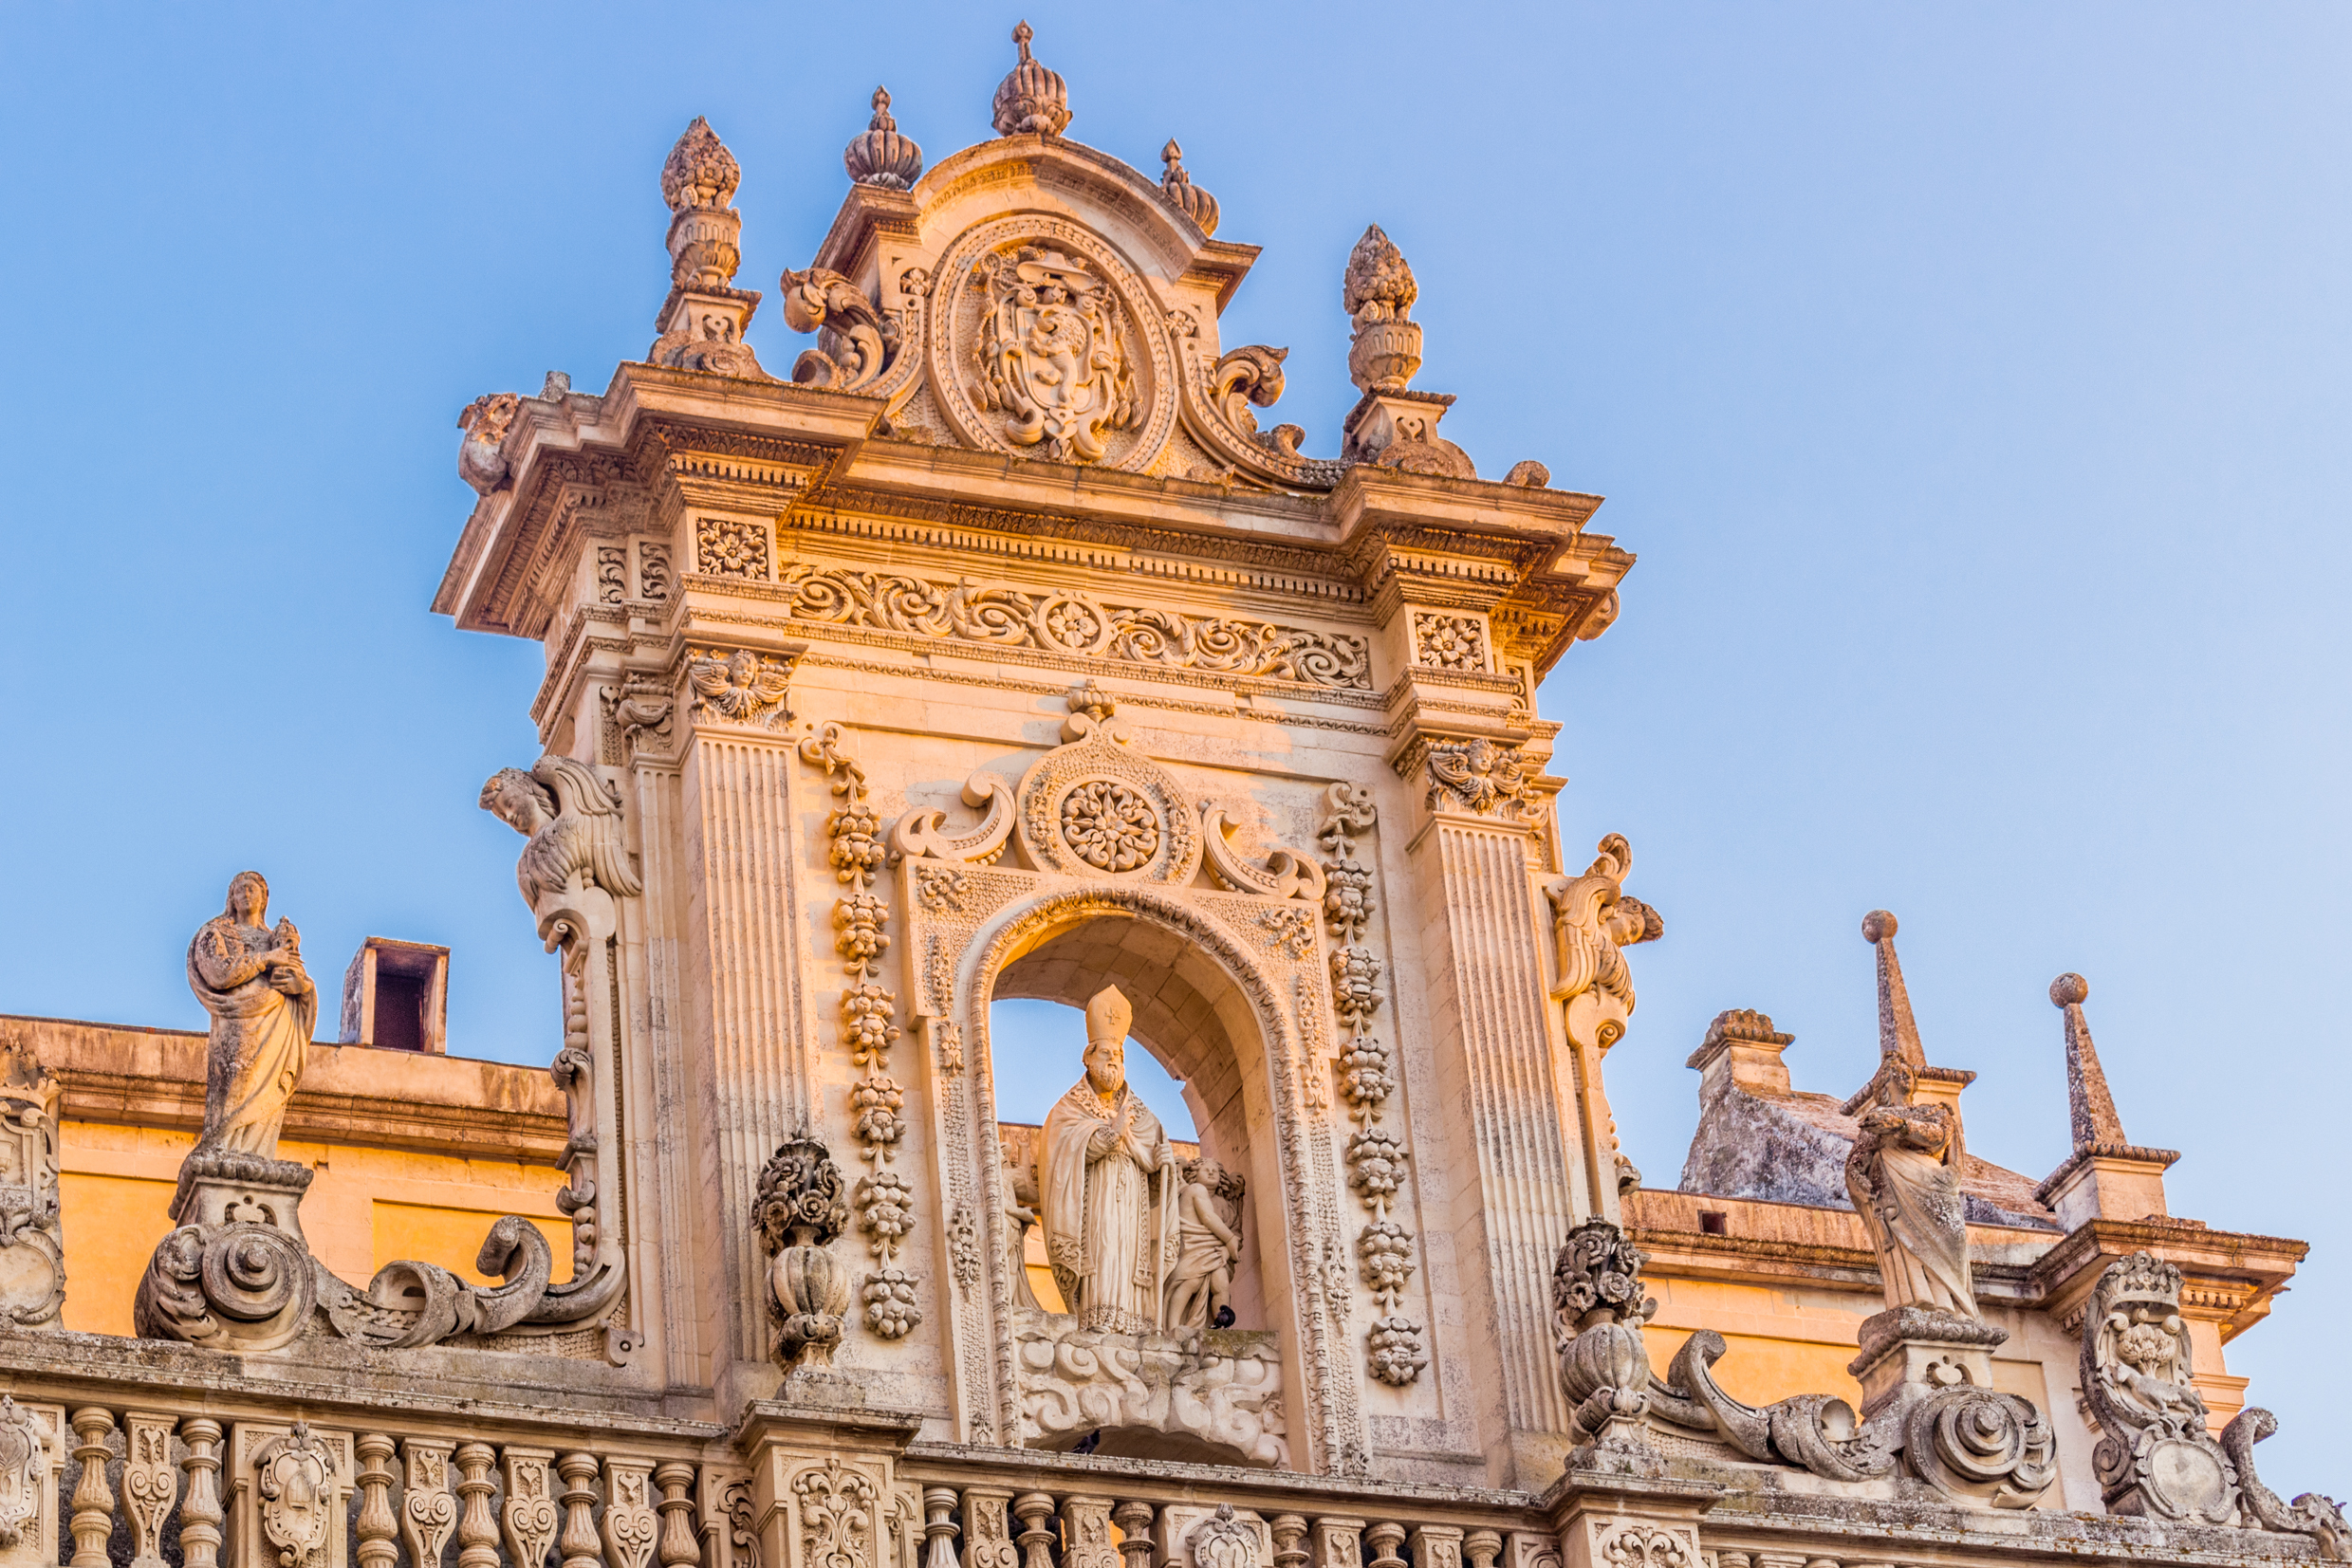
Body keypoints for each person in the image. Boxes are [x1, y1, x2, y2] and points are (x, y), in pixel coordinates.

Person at [1038, 985, 1176, 1334]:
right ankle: (1097, 1319)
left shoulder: (1142, 1113)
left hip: (1132, 1201)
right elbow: (1061, 1151)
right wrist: (1109, 1133)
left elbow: (1155, 1158)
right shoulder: (1069, 1108)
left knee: (1127, 1252)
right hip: (1095, 1199)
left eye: (1119, 1055)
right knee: (1104, 1249)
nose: (1113, 1060)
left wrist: (1162, 1161)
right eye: (1105, 1054)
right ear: (1087, 1057)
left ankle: (1136, 1322)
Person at [186, 872, 317, 1164]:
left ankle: (257, 1155)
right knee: (237, 1085)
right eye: (240, 890)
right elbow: (217, 972)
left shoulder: (277, 941)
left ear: (264, 898)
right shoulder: (216, 933)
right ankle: (224, 1150)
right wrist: (267, 960)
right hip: (238, 1025)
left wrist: (302, 987)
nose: (246, 894)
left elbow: (301, 985)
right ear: (231, 899)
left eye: (253, 889)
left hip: (276, 1023)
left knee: (266, 1097)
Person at [1164, 1156, 1241, 1333]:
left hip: (1213, 1250)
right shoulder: (1194, 1190)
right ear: (1194, 1175)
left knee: (1221, 1283)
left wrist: (1227, 1249)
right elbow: (1208, 1217)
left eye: (1215, 1170)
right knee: (1191, 1281)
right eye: (1206, 1170)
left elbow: (1236, 1233)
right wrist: (1229, 1240)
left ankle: (1220, 1327)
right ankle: (1173, 1327)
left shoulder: (1225, 1205)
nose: (1212, 1172)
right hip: (1194, 1246)